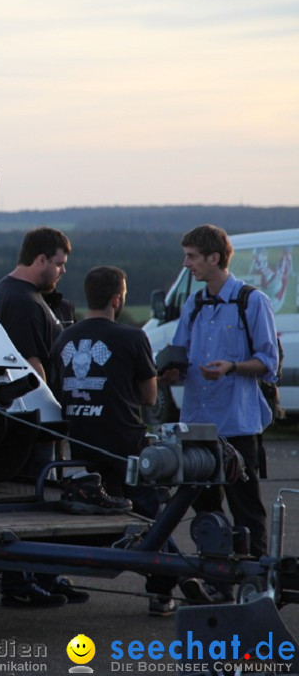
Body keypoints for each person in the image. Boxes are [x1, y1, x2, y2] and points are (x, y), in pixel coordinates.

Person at [0, 228, 126, 608]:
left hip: (17, 420)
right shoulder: (25, 302)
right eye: (59, 264)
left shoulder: (4, 291)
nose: (62, 272)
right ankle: (20, 583)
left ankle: (45, 575)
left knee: (36, 501)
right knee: (33, 504)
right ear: (41, 259)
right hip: (33, 422)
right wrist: (54, 421)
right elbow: (34, 369)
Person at [160, 224, 279, 604]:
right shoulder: (194, 304)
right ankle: (217, 582)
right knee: (204, 508)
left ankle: (257, 586)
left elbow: (268, 362)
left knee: (246, 509)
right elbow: (180, 351)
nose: (187, 263)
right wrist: (172, 371)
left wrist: (231, 366)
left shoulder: (252, 301)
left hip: (237, 422)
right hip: (197, 422)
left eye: (192, 256)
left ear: (215, 258)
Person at [50, 266, 177, 616]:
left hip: (82, 447)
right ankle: (163, 590)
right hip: (126, 445)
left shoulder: (64, 339)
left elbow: (61, 389)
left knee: (93, 518)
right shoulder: (132, 338)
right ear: (117, 299)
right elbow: (150, 398)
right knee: (153, 517)